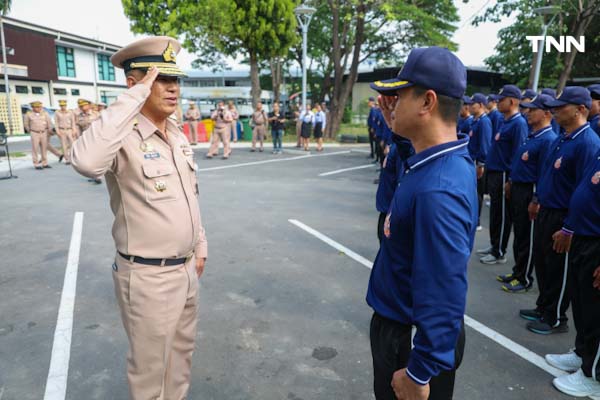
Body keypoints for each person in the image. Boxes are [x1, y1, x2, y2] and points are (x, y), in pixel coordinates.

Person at [71, 36, 207, 400]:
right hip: (148, 277)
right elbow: (85, 162)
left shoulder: (175, 133)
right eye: (161, 79)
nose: (174, 88)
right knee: (149, 374)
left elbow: (188, 195)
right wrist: (131, 101)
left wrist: (200, 241)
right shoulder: (122, 137)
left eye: (176, 80)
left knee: (180, 361)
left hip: (185, 270)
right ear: (135, 83)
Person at [368, 46, 476, 400]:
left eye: (399, 95)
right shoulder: (434, 161)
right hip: (402, 329)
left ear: (427, 102)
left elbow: (445, 289)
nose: (391, 103)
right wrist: (399, 134)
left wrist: (419, 372)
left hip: (408, 341)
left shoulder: (438, 190)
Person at [521, 87, 600, 335]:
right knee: (544, 264)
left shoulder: (587, 142)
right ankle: (544, 307)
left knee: (559, 269)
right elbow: (547, 174)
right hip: (548, 209)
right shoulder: (564, 137)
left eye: (561, 106)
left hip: (565, 215)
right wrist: (537, 198)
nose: (555, 110)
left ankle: (555, 318)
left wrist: (568, 226)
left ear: (581, 109)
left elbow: (582, 187)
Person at [545, 149, 600, 397]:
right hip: (585, 237)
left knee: (597, 313)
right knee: (582, 305)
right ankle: (583, 355)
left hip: (597, 243)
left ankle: (594, 377)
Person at [497, 94, 557, 293]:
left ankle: (524, 278)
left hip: (530, 190)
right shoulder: (533, 136)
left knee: (528, 237)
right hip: (518, 187)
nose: (528, 113)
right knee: (520, 233)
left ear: (547, 113)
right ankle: (517, 271)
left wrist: (536, 198)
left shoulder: (548, 139)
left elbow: (544, 173)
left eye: (533, 110)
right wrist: (511, 182)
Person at [477, 85, 528, 264]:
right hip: (496, 172)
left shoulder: (518, 123)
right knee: (495, 213)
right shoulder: (506, 121)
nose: (498, 102)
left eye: (502, 99)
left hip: (504, 174)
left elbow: (518, 153)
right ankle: (494, 245)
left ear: (513, 101)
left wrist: (512, 179)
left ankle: (499, 251)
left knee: (503, 215)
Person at [465, 93, 492, 231]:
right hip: (471, 161)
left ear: (481, 105)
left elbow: (485, 144)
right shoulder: (475, 121)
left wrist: (481, 163)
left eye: (472, 103)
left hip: (477, 163)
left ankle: (477, 220)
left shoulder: (484, 121)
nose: (469, 106)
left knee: (477, 194)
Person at [75, 98, 102, 183]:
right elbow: (79, 128)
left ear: (89, 105)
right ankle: (93, 175)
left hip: (96, 139)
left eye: (84, 105)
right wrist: (79, 139)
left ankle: (98, 176)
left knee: (97, 157)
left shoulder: (96, 114)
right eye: (81, 106)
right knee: (90, 159)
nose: (82, 107)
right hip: (86, 140)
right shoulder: (79, 116)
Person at [23, 101, 54, 169]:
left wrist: (50, 130)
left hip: (44, 132)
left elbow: (49, 123)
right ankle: (36, 164)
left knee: (44, 148)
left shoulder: (45, 113)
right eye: (37, 107)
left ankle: (44, 163)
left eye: (40, 107)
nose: (39, 108)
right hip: (34, 133)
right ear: (33, 108)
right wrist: (30, 131)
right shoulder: (29, 114)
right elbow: (26, 124)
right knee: (35, 149)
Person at [54, 99, 77, 165]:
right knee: (64, 145)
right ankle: (67, 159)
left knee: (72, 144)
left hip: (69, 130)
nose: (62, 107)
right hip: (61, 130)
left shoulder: (70, 112)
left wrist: (74, 130)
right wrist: (57, 131)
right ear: (60, 106)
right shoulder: (57, 112)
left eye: (64, 105)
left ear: (66, 105)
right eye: (61, 105)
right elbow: (56, 122)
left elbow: (73, 122)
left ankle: (72, 158)